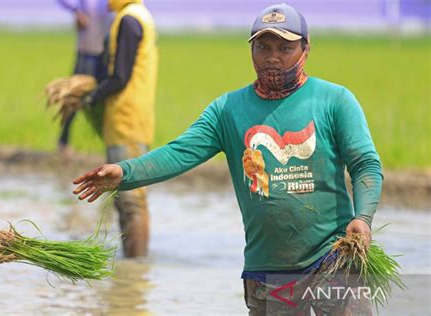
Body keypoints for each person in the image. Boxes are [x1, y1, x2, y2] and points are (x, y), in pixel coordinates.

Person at [73, 3, 382, 314]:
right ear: (251, 49)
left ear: (306, 48)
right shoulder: (228, 110)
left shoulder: (334, 100)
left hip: (333, 257)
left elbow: (365, 164)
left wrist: (363, 218)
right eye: (263, 46)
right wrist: (125, 172)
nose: (272, 57)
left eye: (284, 47)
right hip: (270, 268)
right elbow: (180, 152)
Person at [78, 0, 158, 258]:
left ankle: (135, 270)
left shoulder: (129, 20)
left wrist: (91, 97)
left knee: (131, 201)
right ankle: (135, 268)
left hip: (127, 120)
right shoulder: (136, 15)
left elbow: (120, 76)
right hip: (132, 118)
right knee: (130, 199)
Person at [56, 0, 113, 155]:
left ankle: (111, 145)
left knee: (107, 98)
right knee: (75, 95)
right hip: (87, 51)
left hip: (108, 54)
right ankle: (63, 140)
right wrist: (76, 11)